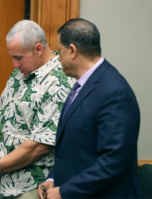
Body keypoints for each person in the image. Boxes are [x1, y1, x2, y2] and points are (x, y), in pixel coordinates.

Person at [0, 20, 75, 198]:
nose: (14, 64)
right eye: (12, 57)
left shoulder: (59, 80)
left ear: (38, 49)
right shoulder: (20, 73)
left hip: (32, 184)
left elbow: (39, 146)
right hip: (2, 181)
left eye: (19, 58)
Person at [37, 18, 142, 199]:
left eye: (60, 50)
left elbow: (114, 161)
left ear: (72, 51)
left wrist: (65, 191)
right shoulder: (83, 85)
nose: (58, 57)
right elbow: (75, 147)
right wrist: (54, 178)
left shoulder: (115, 92)